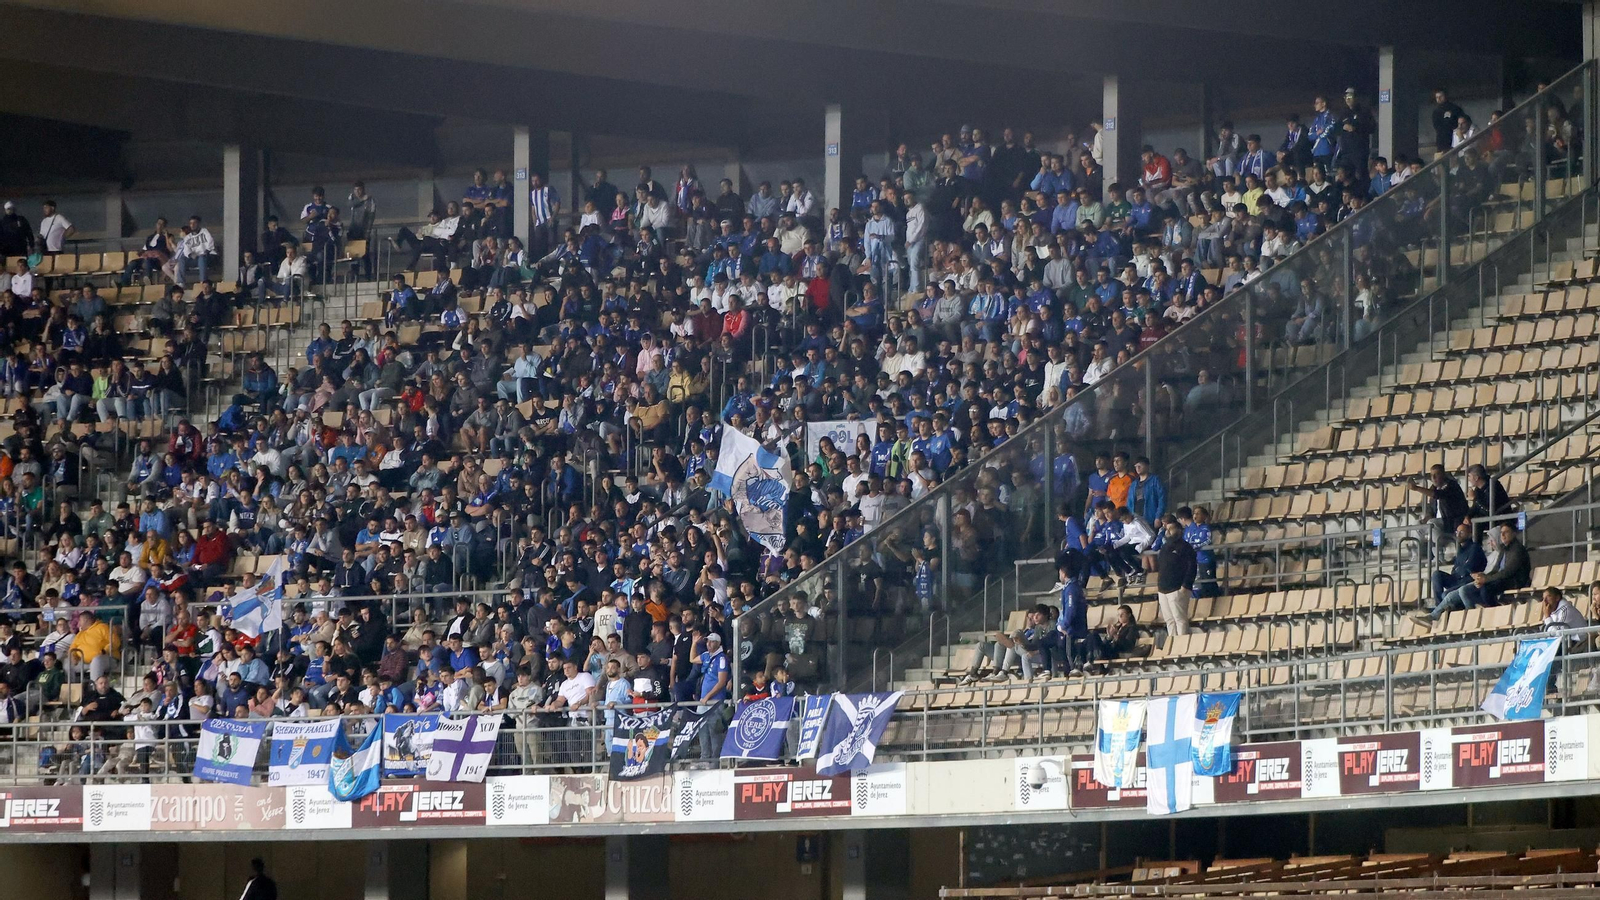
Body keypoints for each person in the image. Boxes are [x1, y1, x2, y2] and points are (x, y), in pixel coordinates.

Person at [1414, 522, 1530, 626]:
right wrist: (1484, 577)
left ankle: (1474, 618)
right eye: (1501, 533)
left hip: (1512, 582)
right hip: (1498, 580)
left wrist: (1486, 579)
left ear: (1514, 533)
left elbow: (1507, 572)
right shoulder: (1505, 550)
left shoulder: (1517, 550)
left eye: (1506, 532)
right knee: (1453, 593)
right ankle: (1435, 615)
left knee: (1469, 590)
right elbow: (1496, 569)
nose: (1503, 535)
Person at [1154, 521, 1195, 637]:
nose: (1168, 531)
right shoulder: (1165, 547)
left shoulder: (1185, 547)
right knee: (1169, 620)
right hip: (1163, 589)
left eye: (1171, 528)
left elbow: (1192, 567)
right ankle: (1173, 645)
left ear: (1179, 530)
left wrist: (1185, 585)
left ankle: (1182, 646)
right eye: (1167, 529)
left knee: (1180, 619)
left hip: (1177, 588)